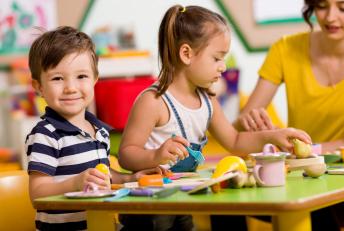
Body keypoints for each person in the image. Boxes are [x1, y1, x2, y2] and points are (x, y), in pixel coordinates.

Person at [117, 5, 311, 231]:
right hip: (148, 205)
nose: (223, 67)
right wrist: (155, 155)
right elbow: (126, 155)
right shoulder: (154, 101)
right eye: (217, 58)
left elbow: (235, 142)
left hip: (181, 200)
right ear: (186, 54)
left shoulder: (207, 101)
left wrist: (276, 136)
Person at [26, 26, 163, 231]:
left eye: (81, 76)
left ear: (95, 80)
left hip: (100, 224)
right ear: (38, 87)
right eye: (57, 78)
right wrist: (75, 183)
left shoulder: (99, 131)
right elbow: (37, 192)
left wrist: (129, 178)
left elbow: (102, 173)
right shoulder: (45, 135)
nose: (70, 87)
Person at [232, 0, 344, 230]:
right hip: (299, 179)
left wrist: (308, 151)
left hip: (341, 181)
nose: (330, 17)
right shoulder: (285, 49)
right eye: (322, 6)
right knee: (228, 206)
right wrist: (250, 123)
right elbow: (238, 129)